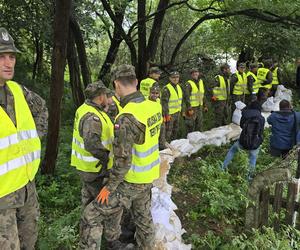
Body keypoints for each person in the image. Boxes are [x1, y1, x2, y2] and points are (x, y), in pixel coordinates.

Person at [80, 65, 162, 250]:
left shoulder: (127, 117)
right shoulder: (153, 106)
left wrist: (109, 187)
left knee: (90, 215)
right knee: (143, 221)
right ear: (136, 82)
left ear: (117, 84)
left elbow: (123, 161)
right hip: (148, 177)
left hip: (130, 181)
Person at [0, 27, 48, 248]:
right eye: (1, 57)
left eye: (11, 56)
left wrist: (35, 137)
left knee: (29, 242)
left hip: (27, 188)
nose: (8, 62)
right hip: (2, 198)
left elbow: (42, 109)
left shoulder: (17, 90)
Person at [71, 81, 114, 233]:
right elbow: (92, 145)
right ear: (100, 96)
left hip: (87, 168)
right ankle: (96, 235)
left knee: (88, 201)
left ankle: (85, 230)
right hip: (95, 169)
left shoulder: (86, 108)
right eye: (105, 95)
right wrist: (109, 158)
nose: (107, 97)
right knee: (100, 206)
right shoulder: (92, 118)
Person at [222, 101, 265, 180]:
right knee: (253, 158)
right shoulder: (261, 118)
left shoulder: (245, 114)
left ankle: (223, 167)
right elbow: (261, 132)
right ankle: (249, 177)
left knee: (232, 150)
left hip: (243, 141)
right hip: (254, 144)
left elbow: (241, 125)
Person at [183, 68, 207, 133]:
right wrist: (189, 107)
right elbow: (186, 96)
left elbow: (202, 94)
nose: (195, 74)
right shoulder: (188, 83)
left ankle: (199, 139)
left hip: (199, 106)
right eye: (193, 73)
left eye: (196, 72)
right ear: (191, 75)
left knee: (199, 123)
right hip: (192, 107)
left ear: (198, 73)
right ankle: (189, 140)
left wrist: (205, 105)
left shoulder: (201, 81)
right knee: (190, 125)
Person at [161, 71, 183, 141]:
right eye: (173, 77)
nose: (175, 79)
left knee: (175, 130)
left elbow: (180, 100)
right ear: (170, 78)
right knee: (168, 132)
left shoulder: (179, 87)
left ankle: (173, 144)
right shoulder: (166, 88)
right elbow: (164, 103)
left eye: (177, 77)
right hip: (170, 114)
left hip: (177, 112)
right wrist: (166, 114)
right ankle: (165, 147)